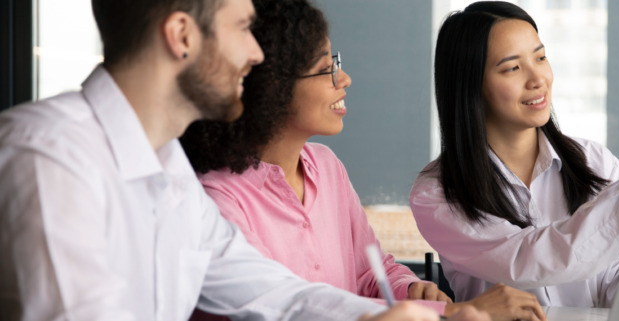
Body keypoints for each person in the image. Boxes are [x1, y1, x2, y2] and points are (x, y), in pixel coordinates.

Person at [0, 0, 486, 320]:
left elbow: (271, 292)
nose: (255, 54)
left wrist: (380, 315)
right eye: (240, 27)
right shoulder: (50, 156)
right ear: (181, 35)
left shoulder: (167, 166)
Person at [179, 1, 544, 320]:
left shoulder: (326, 166)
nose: (345, 78)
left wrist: (413, 290)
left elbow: (372, 272)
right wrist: (448, 313)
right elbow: (281, 309)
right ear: (272, 88)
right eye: (327, 69)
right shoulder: (219, 198)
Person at [409, 1, 619, 308]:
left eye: (540, 57)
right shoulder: (438, 192)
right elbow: (533, 262)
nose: (537, 78)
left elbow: (614, 290)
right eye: (512, 68)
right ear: (471, 85)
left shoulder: (592, 160)